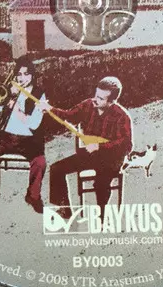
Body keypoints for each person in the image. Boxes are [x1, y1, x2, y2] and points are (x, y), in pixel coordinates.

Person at [39, 77, 133, 217]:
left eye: (100, 98)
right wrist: (50, 109)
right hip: (91, 154)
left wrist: (100, 147)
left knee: (101, 183)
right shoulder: (88, 105)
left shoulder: (122, 116)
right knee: (57, 169)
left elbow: (126, 145)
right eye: (96, 94)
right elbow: (69, 116)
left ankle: (102, 215)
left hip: (112, 158)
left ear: (112, 101)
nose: (95, 99)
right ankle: (65, 209)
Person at [0, 57, 46, 213]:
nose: (22, 78)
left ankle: (33, 196)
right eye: (19, 74)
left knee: (40, 162)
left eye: (26, 74)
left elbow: (34, 124)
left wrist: (17, 109)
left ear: (32, 75)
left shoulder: (39, 94)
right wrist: (6, 97)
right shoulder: (9, 90)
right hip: (6, 137)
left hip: (28, 140)